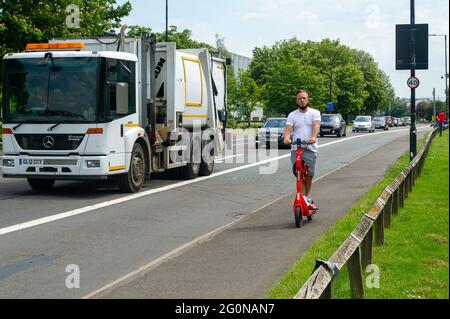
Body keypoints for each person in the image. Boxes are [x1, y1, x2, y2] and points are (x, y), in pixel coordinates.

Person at [283, 89, 321, 204]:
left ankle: (304, 197)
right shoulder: (292, 115)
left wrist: (313, 137)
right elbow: (288, 129)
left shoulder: (315, 113)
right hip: (296, 148)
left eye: (304, 98)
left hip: (310, 148)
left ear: (308, 100)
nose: (302, 100)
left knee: (308, 176)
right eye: (300, 98)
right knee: (300, 175)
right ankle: (302, 199)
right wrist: (286, 137)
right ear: (297, 100)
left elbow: (316, 125)